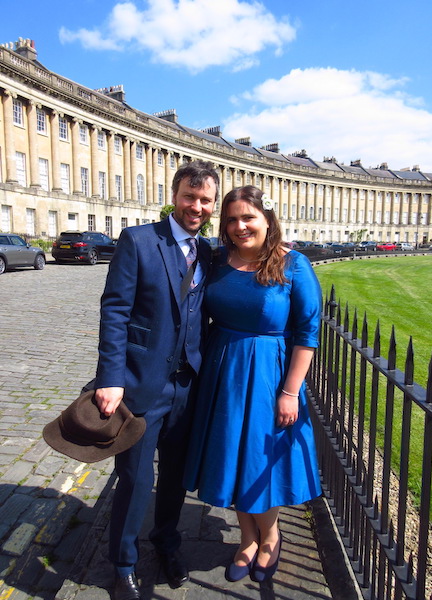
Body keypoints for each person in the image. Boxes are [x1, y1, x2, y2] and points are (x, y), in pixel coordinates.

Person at [184, 185, 322, 583]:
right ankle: (246, 538)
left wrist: (290, 391)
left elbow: (307, 333)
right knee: (232, 455)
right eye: (231, 219)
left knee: (260, 458)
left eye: (248, 218)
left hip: (269, 373)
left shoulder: (293, 264)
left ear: (267, 220)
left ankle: (270, 536)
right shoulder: (215, 261)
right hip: (222, 369)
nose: (240, 226)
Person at [94, 160, 219, 599]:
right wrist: (110, 378)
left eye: (206, 200)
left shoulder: (208, 252)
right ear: (175, 194)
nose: (197, 206)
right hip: (140, 383)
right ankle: (123, 563)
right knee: (135, 479)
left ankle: (167, 542)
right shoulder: (139, 241)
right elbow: (115, 311)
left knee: (174, 477)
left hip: (189, 385)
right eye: (190, 196)